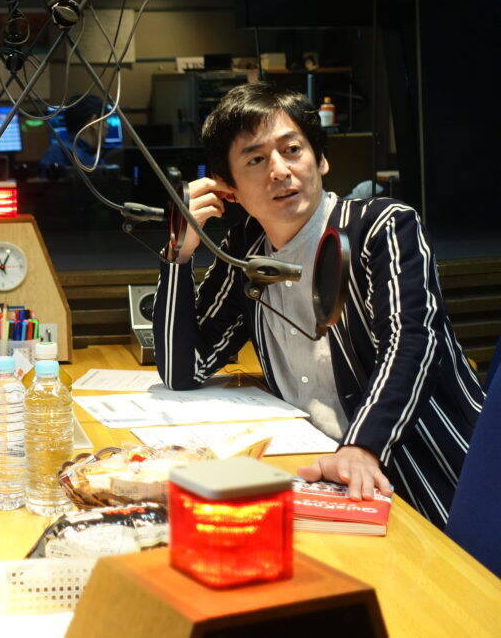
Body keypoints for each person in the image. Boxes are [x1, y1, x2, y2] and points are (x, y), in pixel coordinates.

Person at [152, 83, 483, 530]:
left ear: (320, 159)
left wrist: (362, 446)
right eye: (255, 160)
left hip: (430, 477)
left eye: (292, 150)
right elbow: (183, 370)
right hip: (319, 473)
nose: (280, 170)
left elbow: (411, 342)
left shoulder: (382, 226)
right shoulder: (246, 250)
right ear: (228, 189)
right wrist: (179, 254)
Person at [40, 94, 110, 172]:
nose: (107, 126)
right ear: (94, 122)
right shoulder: (60, 153)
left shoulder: (95, 156)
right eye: (105, 121)